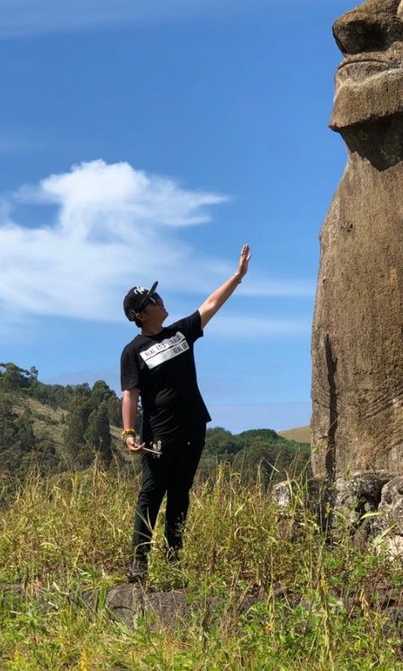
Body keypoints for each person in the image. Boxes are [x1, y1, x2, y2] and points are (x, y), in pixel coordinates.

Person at [120, 244, 251, 582]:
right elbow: (130, 394)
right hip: (158, 435)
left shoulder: (181, 332)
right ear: (140, 315)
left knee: (181, 493)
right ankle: (139, 562)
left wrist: (237, 277)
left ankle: (174, 558)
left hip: (193, 428)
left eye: (157, 296)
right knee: (152, 494)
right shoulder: (133, 351)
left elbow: (210, 304)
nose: (159, 300)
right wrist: (129, 433)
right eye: (151, 300)